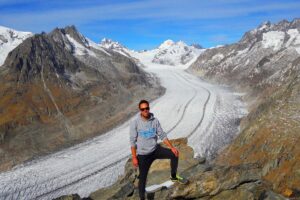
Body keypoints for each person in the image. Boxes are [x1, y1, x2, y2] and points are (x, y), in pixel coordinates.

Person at [130, 99, 186, 200]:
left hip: (155, 150)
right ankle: (142, 198)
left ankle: (173, 176)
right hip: (143, 155)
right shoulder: (135, 123)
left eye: (147, 108)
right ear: (140, 110)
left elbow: (162, 135)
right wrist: (134, 157)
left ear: (149, 108)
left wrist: (172, 147)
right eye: (143, 109)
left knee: (174, 154)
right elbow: (132, 142)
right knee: (142, 178)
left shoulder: (154, 121)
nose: (145, 110)